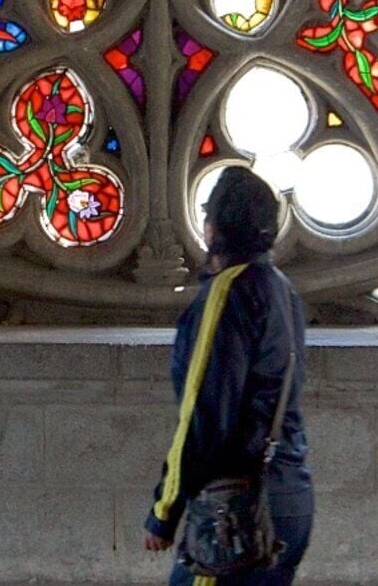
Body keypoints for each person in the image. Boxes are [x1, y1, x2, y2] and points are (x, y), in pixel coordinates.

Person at [145, 166, 313, 586]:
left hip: (236, 509)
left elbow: (203, 413)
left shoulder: (229, 291)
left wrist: (165, 510)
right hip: (290, 495)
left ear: (212, 225)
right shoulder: (281, 289)